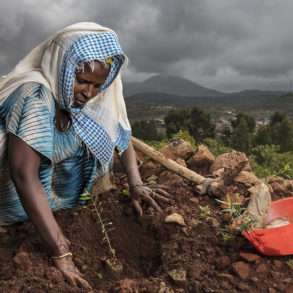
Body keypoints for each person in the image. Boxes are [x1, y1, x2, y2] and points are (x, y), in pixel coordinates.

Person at [0, 22, 170, 289]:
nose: (88, 93)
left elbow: (117, 126)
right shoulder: (34, 95)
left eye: (96, 86)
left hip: (56, 200)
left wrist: (136, 183)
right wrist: (61, 250)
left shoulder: (82, 97)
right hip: (12, 207)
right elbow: (23, 174)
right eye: (81, 81)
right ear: (62, 65)